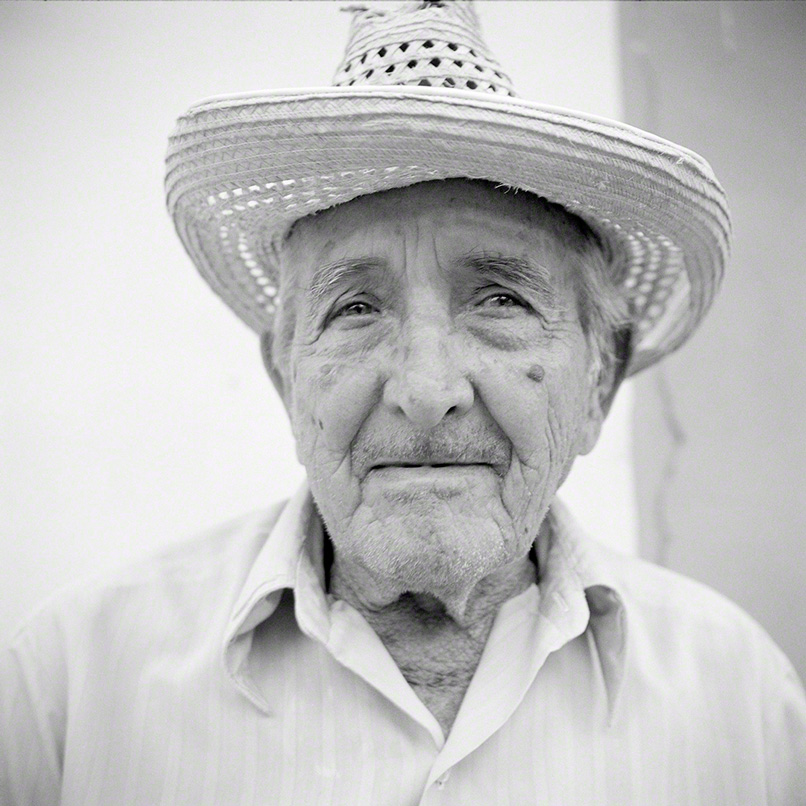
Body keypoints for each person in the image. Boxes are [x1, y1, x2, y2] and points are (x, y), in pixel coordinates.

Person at [2, 2, 805, 804]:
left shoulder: (743, 704)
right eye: (355, 309)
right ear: (287, 379)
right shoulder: (70, 690)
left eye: (500, 300)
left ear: (600, 379)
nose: (426, 392)